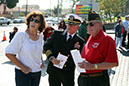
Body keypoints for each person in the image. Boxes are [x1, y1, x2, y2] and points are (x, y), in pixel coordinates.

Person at [5, 11, 47, 86]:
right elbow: (8, 53)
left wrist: (41, 62)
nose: (33, 22)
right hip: (23, 73)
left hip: (37, 72)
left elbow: (38, 51)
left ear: (40, 24)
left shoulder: (40, 36)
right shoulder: (21, 35)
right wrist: (23, 67)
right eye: (31, 19)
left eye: (36, 21)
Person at [78, 12, 118, 86]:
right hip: (84, 79)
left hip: (97, 80)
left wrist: (93, 66)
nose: (88, 27)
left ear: (100, 25)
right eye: (87, 24)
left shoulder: (107, 39)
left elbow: (113, 63)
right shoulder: (90, 38)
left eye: (91, 24)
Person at [43, 14, 85, 86]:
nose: (69, 26)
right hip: (54, 70)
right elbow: (46, 47)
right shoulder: (57, 34)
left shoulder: (80, 41)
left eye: (73, 24)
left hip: (68, 72)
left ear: (78, 27)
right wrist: (52, 58)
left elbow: (79, 57)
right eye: (69, 24)